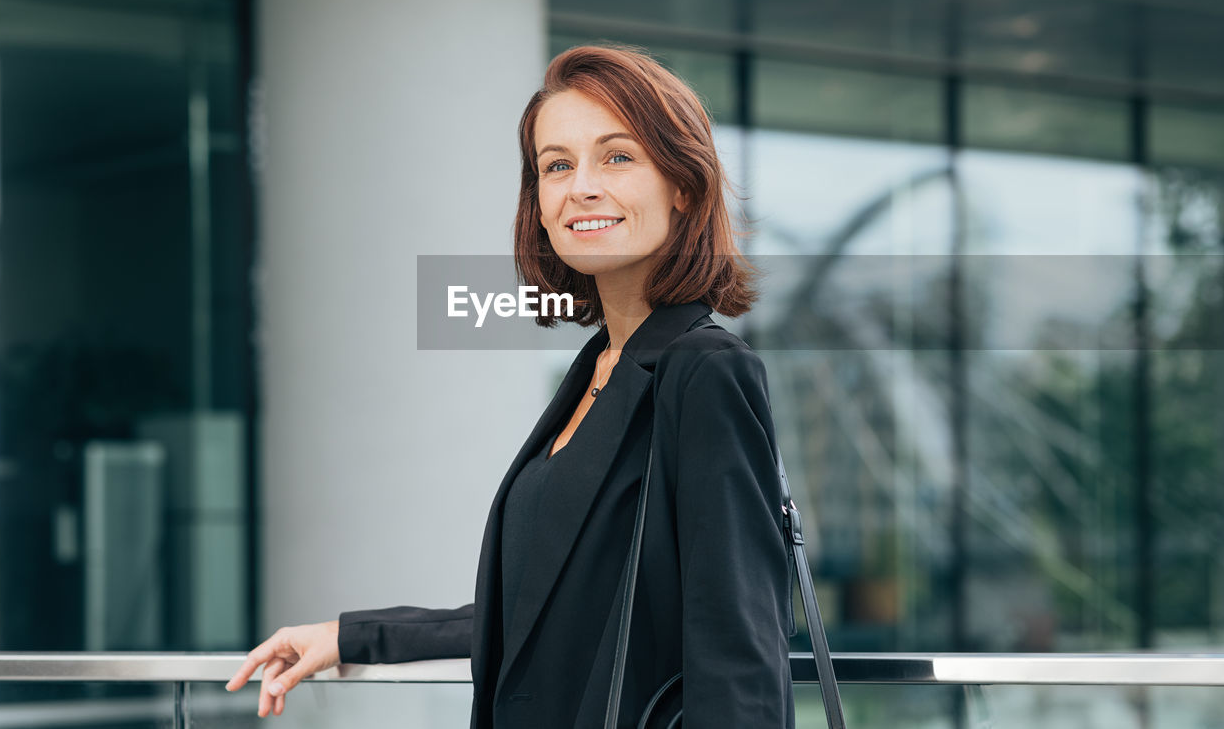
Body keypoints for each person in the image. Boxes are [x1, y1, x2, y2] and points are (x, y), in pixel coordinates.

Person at [226, 43, 796, 727]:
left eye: (617, 156)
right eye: (556, 165)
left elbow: (740, 648)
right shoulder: (595, 371)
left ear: (682, 185)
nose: (581, 186)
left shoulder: (706, 372)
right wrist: (351, 636)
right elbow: (538, 614)